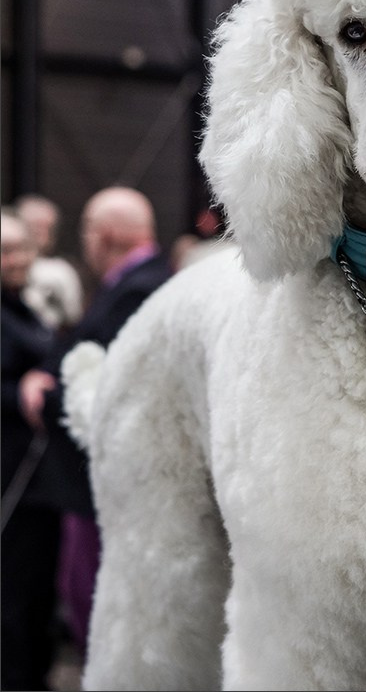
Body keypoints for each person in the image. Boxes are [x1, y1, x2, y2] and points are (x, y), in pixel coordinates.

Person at [21, 187, 173, 660]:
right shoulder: (134, 282)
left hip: (105, 481)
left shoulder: (140, 288)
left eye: (86, 229)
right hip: (97, 480)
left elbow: (117, 387)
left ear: (105, 235)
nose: (83, 241)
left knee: (95, 599)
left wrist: (46, 396)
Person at [1, 209, 59, 691]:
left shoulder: (26, 307)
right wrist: (16, 389)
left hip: (37, 476)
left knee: (35, 587)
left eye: (21, 248)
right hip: (9, 477)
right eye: (5, 251)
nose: (16, 258)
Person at [15, 194, 83, 331]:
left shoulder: (61, 271)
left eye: (47, 227)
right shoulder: (9, 265)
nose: (40, 233)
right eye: (34, 226)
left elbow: (72, 319)